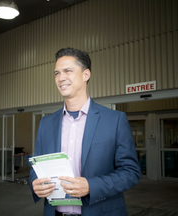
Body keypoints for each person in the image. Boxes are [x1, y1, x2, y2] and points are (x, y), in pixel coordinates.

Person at [29, 47, 141, 216]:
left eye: (68, 71)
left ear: (86, 75)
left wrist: (91, 186)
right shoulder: (46, 123)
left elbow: (130, 172)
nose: (61, 78)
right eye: (57, 73)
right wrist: (34, 184)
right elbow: (36, 168)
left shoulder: (114, 120)